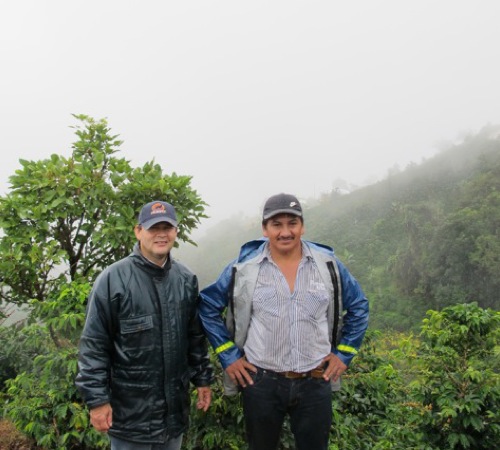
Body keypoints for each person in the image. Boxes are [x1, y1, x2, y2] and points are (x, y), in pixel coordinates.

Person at [199, 193, 369, 450]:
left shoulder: (328, 266)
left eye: (293, 223)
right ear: (265, 229)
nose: (286, 232)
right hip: (261, 382)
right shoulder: (244, 268)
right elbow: (207, 306)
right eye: (277, 224)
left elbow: (359, 306)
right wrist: (229, 356)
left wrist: (343, 355)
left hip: (315, 380)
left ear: (303, 226)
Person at [75, 200, 214, 450]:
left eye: (167, 227)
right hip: (130, 420)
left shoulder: (185, 279)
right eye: (153, 228)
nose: (161, 234)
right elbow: (94, 345)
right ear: (138, 231)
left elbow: (195, 338)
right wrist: (97, 401)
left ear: (176, 231)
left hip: (173, 417)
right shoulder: (112, 280)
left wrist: (202, 379)